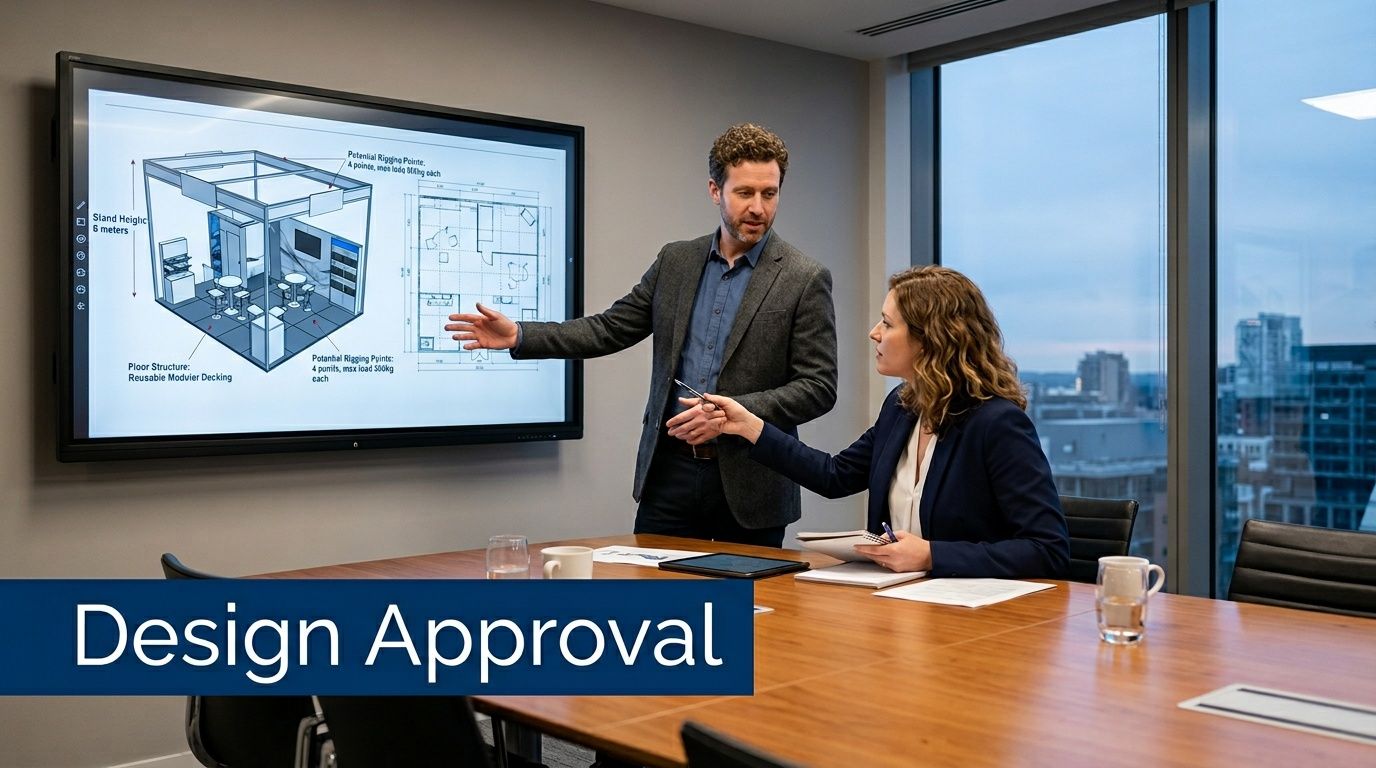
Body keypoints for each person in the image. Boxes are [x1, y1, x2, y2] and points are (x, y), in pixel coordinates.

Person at [445, 123, 837, 547]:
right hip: (668, 473)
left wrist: (733, 414)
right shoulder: (677, 262)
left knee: (743, 613)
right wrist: (521, 335)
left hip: (751, 483)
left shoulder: (803, 277)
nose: (758, 207)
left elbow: (818, 387)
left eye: (770, 193)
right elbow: (610, 328)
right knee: (654, 604)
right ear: (714, 190)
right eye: (745, 193)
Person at [692, 265, 1069, 578]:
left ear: (930, 340)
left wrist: (932, 555)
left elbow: (1047, 549)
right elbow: (835, 475)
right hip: (898, 604)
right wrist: (747, 426)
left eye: (887, 324)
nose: (874, 332)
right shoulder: (902, 406)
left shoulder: (997, 423)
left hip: (974, 620)